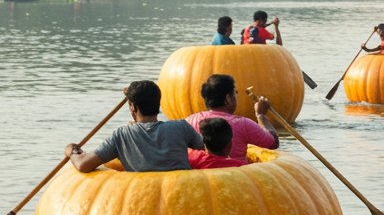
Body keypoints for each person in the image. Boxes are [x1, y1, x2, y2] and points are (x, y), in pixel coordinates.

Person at [65, 80, 204, 173]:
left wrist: (71, 150)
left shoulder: (121, 135)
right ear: (159, 104)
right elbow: (209, 149)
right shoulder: (181, 127)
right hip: (181, 196)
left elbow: (83, 164)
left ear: (132, 107)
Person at [183, 74, 279, 160]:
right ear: (228, 98)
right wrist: (261, 115)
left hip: (200, 176)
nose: (237, 96)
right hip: (237, 176)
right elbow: (273, 143)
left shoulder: (189, 122)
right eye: (235, 92)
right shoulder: (243, 124)